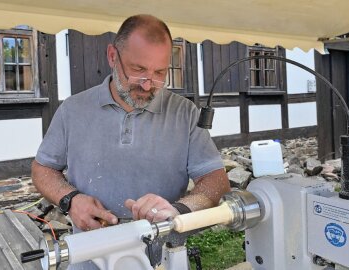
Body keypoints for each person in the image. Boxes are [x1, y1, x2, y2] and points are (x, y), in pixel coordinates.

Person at [32, 14, 230, 269]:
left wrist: (178, 210)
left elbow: (216, 181)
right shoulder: (73, 110)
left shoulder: (185, 113)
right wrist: (70, 200)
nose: (148, 85)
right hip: (90, 254)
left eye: (159, 72)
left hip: (162, 256)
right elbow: (42, 169)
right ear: (113, 56)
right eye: (138, 70)